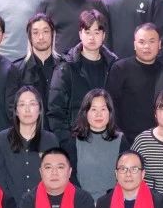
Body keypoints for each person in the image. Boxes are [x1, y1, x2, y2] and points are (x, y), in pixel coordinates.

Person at [46, 9, 117, 137]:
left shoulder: (114, 67)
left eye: (96, 32)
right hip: (76, 139)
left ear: (103, 35)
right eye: (87, 32)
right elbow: (55, 111)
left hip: (108, 138)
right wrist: (67, 142)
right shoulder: (66, 67)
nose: (92, 37)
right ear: (80, 34)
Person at [0, 86, 58, 204]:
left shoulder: (50, 140)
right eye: (22, 105)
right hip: (10, 207)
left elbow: (55, 178)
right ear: (16, 111)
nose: (27, 109)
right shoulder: (2, 139)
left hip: (43, 206)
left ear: (40, 109)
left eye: (32, 104)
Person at [104, 23, 163, 138]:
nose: (146, 46)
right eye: (141, 42)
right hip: (126, 139)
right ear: (134, 45)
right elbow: (110, 105)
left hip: (159, 139)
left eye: (152, 42)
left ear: (159, 44)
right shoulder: (120, 68)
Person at [4, 13, 60, 133]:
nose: (41, 37)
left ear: (53, 34)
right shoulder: (17, 69)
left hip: (62, 137)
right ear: (29, 37)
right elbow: (12, 108)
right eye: (35, 32)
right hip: (30, 136)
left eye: (45, 31)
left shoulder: (64, 67)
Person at [68, 89, 125, 199]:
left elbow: (125, 176)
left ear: (110, 112)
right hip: (82, 201)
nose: (99, 114)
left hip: (113, 201)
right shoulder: (74, 140)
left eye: (103, 109)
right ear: (86, 112)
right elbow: (70, 175)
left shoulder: (120, 140)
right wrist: (84, 199)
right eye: (93, 109)